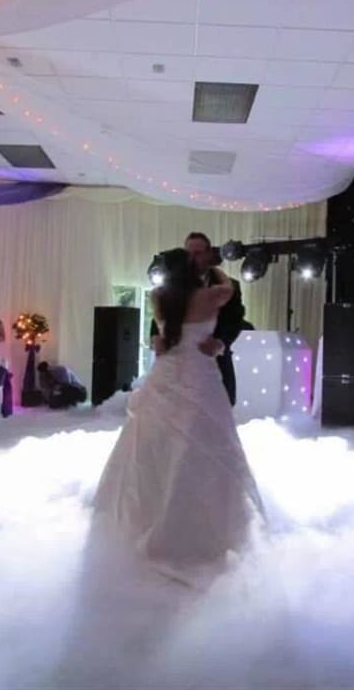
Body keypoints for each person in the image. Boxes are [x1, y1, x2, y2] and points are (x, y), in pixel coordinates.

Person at [94, 248, 263, 580]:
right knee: (206, 442)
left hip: (167, 373)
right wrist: (213, 268)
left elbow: (162, 334)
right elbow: (228, 288)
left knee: (153, 442)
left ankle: (149, 511)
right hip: (200, 376)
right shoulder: (211, 295)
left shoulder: (158, 297)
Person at [150, 232, 246, 405]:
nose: (192, 259)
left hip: (211, 362)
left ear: (209, 254)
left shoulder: (226, 286)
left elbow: (235, 319)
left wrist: (221, 342)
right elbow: (158, 321)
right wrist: (155, 338)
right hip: (172, 366)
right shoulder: (166, 289)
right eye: (188, 254)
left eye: (198, 253)